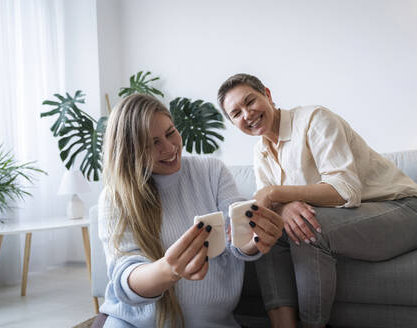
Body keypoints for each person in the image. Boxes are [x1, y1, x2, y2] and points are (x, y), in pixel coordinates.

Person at [217, 73, 417, 328]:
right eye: (236, 113)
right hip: (357, 218)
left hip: (407, 210)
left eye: (250, 101)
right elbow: (271, 207)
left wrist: (277, 194)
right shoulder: (261, 152)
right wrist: (283, 206)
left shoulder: (314, 120)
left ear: (267, 93)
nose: (247, 114)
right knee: (268, 233)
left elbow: (345, 191)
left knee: (309, 227)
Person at [95, 93, 283, 328]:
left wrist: (254, 238)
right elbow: (125, 278)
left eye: (170, 132)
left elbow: (236, 239)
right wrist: (169, 269)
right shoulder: (116, 197)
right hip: (133, 323)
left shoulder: (212, 172)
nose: (169, 147)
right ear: (131, 151)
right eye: (152, 143)